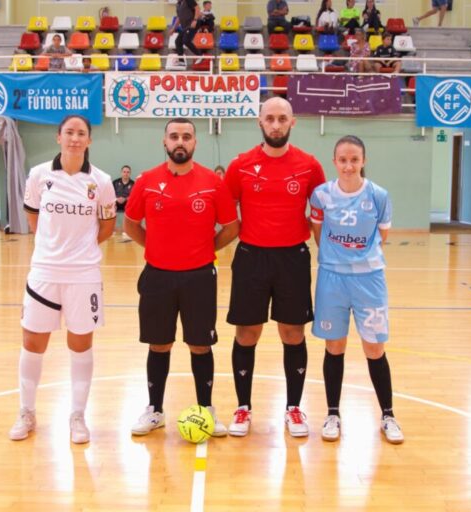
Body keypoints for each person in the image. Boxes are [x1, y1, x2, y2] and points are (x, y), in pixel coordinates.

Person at [124, 118, 239, 437]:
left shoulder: (213, 183)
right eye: (174, 136)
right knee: (158, 344)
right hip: (157, 276)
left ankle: (207, 410)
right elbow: (131, 225)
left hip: (199, 277)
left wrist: (204, 250)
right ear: (164, 142)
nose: (180, 141)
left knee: (200, 345)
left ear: (195, 143)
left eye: (186, 136)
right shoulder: (146, 181)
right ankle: (155, 410)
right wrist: (158, 248)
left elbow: (231, 228)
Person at [9, 114, 117, 444]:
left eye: (81, 133)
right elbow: (33, 218)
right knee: (33, 343)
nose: (74, 138)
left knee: (80, 344)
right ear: (58, 137)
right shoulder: (39, 175)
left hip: (83, 274)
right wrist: (55, 248)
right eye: (69, 132)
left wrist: (80, 248)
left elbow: (107, 226)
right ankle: (26, 411)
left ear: (89, 140)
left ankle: (78, 416)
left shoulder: (101, 181)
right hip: (44, 272)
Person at [223, 97, 326, 438]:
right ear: (260, 122)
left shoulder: (310, 165)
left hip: (292, 258)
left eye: (283, 118)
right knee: (246, 333)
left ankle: (294, 408)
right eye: (270, 118)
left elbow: (323, 212)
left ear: (293, 122)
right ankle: (243, 407)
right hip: (252, 257)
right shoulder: (240, 165)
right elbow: (224, 211)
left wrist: (328, 252)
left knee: (292, 333)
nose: (276, 124)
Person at [309, 135, 403, 445]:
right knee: (334, 347)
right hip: (332, 279)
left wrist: (357, 254)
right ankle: (333, 413)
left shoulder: (378, 195)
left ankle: (388, 414)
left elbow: (383, 235)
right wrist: (338, 256)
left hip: (369, 280)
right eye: (343, 160)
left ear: (363, 161)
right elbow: (318, 233)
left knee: (374, 348)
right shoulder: (321, 195)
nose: (348, 166)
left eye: (354, 159)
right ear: (334, 162)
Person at [172, 0, 203, 66]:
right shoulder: (178, 4)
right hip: (185, 27)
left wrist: (195, 20)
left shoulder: (188, 0)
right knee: (178, 41)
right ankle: (181, 61)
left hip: (192, 24)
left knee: (186, 40)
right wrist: (173, 28)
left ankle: (199, 55)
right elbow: (179, 18)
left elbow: (197, 8)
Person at [112, 164, 134, 240]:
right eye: (124, 172)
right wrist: (116, 198)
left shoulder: (133, 184)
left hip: (127, 203)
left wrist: (126, 199)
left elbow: (134, 196)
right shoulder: (115, 182)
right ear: (121, 172)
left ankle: (127, 231)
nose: (126, 173)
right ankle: (112, 230)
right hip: (116, 202)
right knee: (110, 207)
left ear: (130, 173)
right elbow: (110, 194)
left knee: (131, 207)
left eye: (128, 172)